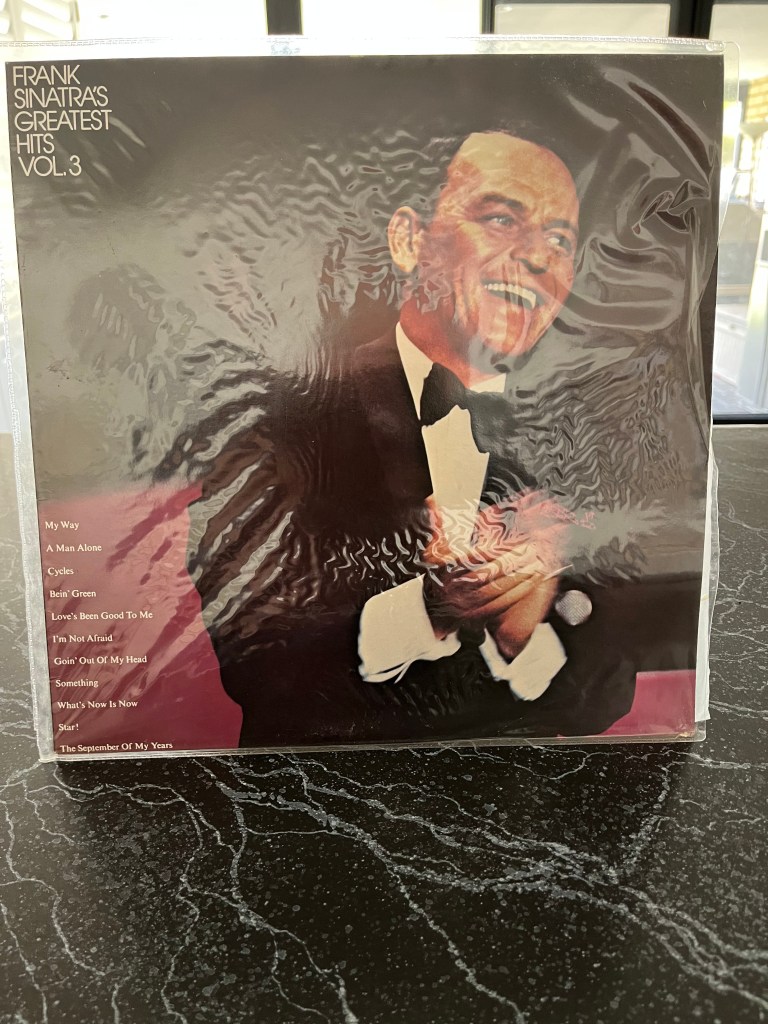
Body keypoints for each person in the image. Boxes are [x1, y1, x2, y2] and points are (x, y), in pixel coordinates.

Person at [181, 129, 702, 747]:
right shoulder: (274, 415)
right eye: (501, 219)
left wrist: (524, 626)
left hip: (524, 794)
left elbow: (609, 688)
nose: (538, 258)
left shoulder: (595, 433)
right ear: (409, 241)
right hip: (325, 793)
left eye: (560, 240)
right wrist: (429, 608)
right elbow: (254, 664)